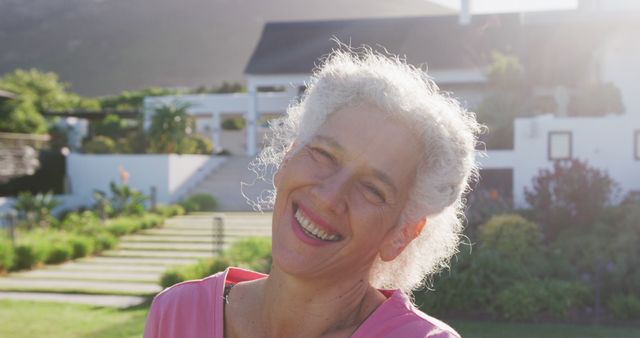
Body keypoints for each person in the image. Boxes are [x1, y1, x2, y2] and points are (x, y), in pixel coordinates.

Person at [143, 46, 481, 338]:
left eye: (373, 190)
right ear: (288, 158)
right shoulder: (177, 314)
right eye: (324, 155)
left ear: (402, 234)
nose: (329, 196)